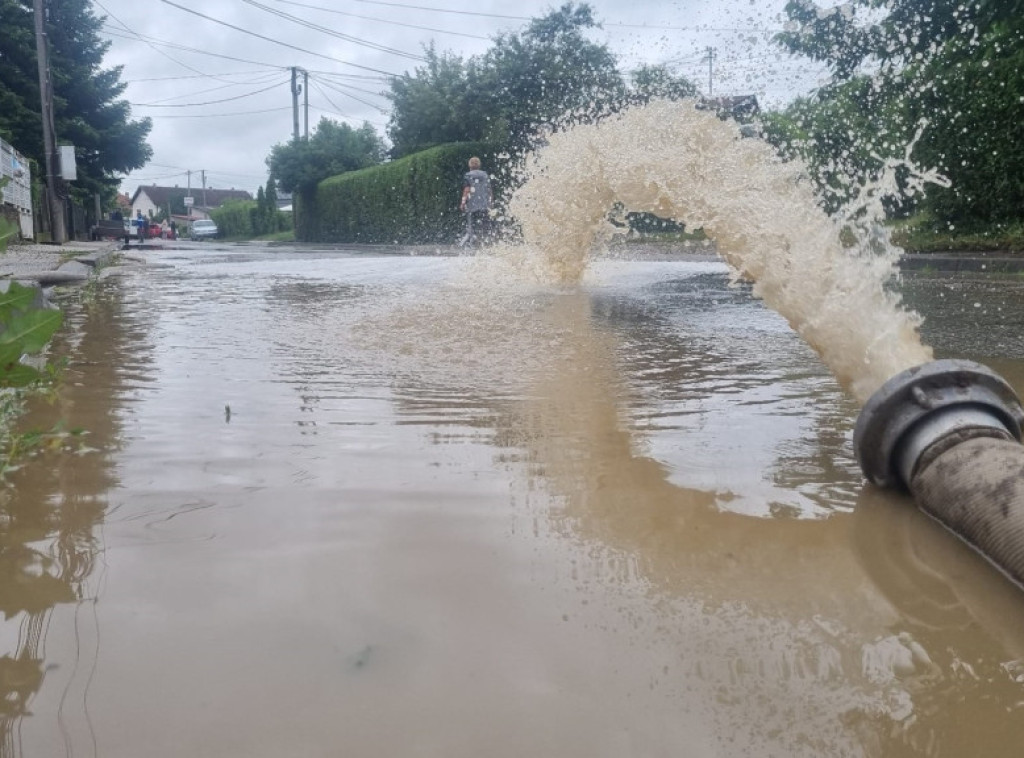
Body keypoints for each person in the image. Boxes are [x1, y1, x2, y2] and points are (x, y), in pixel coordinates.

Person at [459, 156, 492, 247]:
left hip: (471, 205)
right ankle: (486, 240)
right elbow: (489, 189)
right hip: (484, 204)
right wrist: (490, 201)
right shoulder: (485, 175)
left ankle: (471, 240)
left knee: (471, 224)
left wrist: (463, 202)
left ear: (469, 165)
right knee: (484, 223)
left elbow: (466, 190)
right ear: (479, 165)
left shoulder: (468, 176)